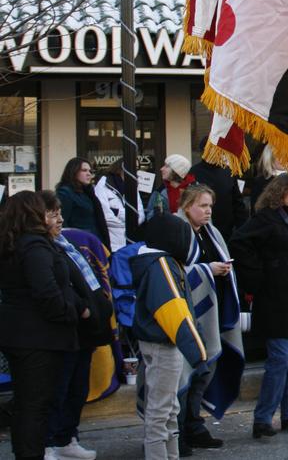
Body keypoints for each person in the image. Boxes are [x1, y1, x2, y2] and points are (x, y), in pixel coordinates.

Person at [0, 191, 88, 460]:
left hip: (23, 334)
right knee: (35, 406)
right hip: (39, 338)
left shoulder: (14, 244)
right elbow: (47, 292)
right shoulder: (34, 246)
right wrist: (73, 311)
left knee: (29, 404)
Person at [230, 174, 288, 439]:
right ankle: (263, 419)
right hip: (275, 299)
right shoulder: (266, 218)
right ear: (280, 193)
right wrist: (258, 277)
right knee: (280, 359)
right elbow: (239, 243)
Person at [40, 191, 113, 460]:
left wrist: (98, 307)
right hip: (67, 328)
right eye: (53, 214)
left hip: (86, 328)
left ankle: (67, 437)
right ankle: (49, 442)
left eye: (60, 213)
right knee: (59, 388)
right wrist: (82, 307)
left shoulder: (65, 243)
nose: (59, 219)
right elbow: (58, 286)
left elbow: (87, 277)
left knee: (77, 387)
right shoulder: (42, 247)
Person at [131, 213, 208, 460]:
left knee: (168, 407)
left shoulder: (154, 262)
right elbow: (173, 310)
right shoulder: (161, 265)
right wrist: (198, 352)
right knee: (161, 410)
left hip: (156, 342)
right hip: (164, 343)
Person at [173, 185, 242, 455]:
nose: (208, 211)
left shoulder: (212, 233)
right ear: (187, 206)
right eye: (203, 205)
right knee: (183, 373)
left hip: (210, 314)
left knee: (204, 371)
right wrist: (206, 270)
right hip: (183, 316)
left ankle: (194, 425)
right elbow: (171, 271)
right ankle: (175, 430)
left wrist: (224, 269)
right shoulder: (175, 230)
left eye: (210, 206)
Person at [189, 138, 249, 239]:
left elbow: (237, 203)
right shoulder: (194, 172)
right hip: (201, 231)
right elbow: (188, 202)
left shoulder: (228, 172)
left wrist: (242, 229)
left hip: (227, 232)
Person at [56, 158, 111, 251]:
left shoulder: (87, 192)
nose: (89, 174)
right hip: (80, 244)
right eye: (84, 170)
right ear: (73, 171)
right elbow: (63, 222)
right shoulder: (65, 193)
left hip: (94, 242)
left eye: (90, 171)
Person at [93, 159, 144, 252]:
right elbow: (103, 214)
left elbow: (140, 214)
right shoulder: (104, 184)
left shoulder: (133, 186)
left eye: (137, 168)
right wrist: (127, 222)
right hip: (112, 243)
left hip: (131, 242)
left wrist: (118, 213)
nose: (135, 170)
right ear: (123, 167)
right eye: (133, 167)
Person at [248, 145, 286, 214]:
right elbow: (256, 211)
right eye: (279, 155)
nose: (283, 158)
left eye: (286, 155)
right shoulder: (261, 181)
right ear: (270, 157)